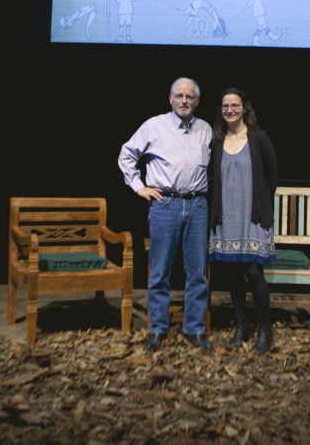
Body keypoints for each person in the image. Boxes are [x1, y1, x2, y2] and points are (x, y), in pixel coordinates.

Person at [118, 77, 213, 352]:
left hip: (197, 206)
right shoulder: (154, 126)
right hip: (165, 205)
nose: (184, 101)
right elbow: (126, 155)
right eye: (179, 96)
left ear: (197, 101)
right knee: (160, 272)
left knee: (197, 273)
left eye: (190, 97)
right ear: (170, 99)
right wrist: (139, 187)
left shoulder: (205, 129)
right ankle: (158, 329)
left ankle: (194, 330)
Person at [208, 87, 279, 353]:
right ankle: (241, 326)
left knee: (253, 273)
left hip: (253, 218)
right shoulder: (217, 141)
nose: (230, 110)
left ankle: (265, 331)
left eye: (235, 105)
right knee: (232, 274)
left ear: (244, 108)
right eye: (225, 106)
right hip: (226, 219)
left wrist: (258, 204)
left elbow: (272, 178)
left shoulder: (258, 139)